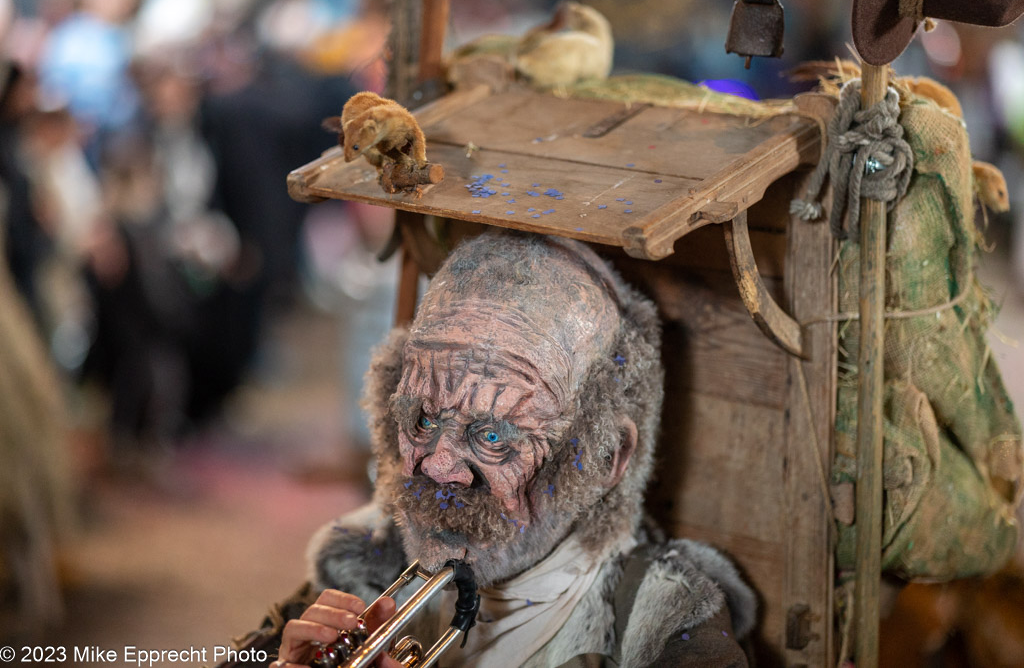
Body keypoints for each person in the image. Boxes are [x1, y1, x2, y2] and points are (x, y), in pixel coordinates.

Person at [239, 231, 755, 667]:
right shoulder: (367, 558)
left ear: (604, 457)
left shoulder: (665, 625)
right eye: (421, 419)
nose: (437, 467)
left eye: (492, 436)